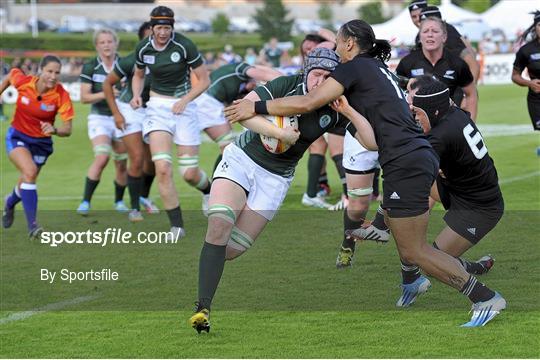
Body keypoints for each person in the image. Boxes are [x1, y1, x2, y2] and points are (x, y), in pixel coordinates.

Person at [225, 19, 505, 328]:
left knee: (415, 250)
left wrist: (258, 107)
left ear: (348, 43)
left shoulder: (354, 67)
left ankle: (484, 297)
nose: (335, 53)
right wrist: (347, 112)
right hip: (410, 157)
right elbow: (373, 140)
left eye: (337, 45)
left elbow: (307, 102)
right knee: (411, 247)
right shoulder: (376, 68)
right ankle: (409, 270)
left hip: (406, 161)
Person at [189, 48, 351, 333]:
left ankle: (208, 261)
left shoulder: (334, 106)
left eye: (328, 77)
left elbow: (370, 139)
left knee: (231, 250)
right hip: (242, 160)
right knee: (219, 224)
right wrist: (280, 133)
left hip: (275, 179)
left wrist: (350, 111)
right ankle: (203, 308)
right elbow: (242, 113)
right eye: (317, 74)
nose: (321, 81)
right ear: (306, 71)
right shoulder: (285, 85)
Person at [352, 76, 503, 311]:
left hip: (478, 207)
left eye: (418, 112)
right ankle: (410, 274)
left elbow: (398, 161)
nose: (414, 116)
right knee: (406, 207)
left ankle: (474, 284)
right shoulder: (454, 116)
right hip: (457, 191)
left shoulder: (439, 137)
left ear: (433, 113)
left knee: (429, 258)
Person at [131, 6, 210, 237]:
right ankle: (177, 226)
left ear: (172, 27)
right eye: (159, 28)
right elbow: (137, 74)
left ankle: (208, 189)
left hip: (184, 109)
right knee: (163, 169)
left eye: (167, 27)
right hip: (157, 109)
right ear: (151, 28)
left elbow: (204, 80)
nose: (163, 32)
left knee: (189, 174)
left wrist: (185, 99)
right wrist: (137, 95)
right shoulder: (143, 48)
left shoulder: (185, 45)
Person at [1, 55, 74, 239]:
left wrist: (55, 129)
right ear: (41, 69)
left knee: (27, 179)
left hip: (42, 143)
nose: (53, 76)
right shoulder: (24, 82)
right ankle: (33, 226)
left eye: (57, 72)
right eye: (49, 71)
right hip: (18, 136)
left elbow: (68, 128)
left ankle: (9, 203)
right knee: (30, 172)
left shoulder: (61, 95)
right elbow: (11, 75)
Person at [193, 61, 283, 194]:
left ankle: (217, 189)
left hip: (209, 104)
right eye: (255, 83)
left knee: (229, 148)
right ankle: (220, 189)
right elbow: (262, 73)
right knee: (230, 149)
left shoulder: (238, 86)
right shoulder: (240, 68)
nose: (253, 86)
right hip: (208, 103)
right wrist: (287, 79)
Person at [103, 22, 159, 222]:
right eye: (149, 36)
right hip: (130, 109)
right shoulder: (132, 59)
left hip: (154, 111)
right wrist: (117, 113)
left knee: (153, 161)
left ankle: (143, 197)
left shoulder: (168, 60)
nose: (154, 39)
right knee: (136, 158)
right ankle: (134, 208)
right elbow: (107, 83)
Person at [76, 28, 129, 216]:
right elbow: (84, 97)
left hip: (122, 117)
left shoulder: (125, 64)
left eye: (109, 41)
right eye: (102, 42)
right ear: (97, 46)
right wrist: (106, 93)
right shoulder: (91, 66)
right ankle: (85, 202)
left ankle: (119, 201)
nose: (106, 45)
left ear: (116, 43)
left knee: (122, 163)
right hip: (99, 117)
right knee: (102, 157)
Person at [397, 16, 478, 119]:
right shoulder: (407, 63)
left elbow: (471, 94)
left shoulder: (457, 63)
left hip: (448, 125)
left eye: (435, 31)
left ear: (444, 37)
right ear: (420, 37)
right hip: (417, 128)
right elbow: (395, 94)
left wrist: (470, 123)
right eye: (425, 31)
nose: (430, 35)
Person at [409, 3, 480, 83]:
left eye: (420, 15)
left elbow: (473, 64)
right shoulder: (419, 37)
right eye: (414, 17)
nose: (418, 19)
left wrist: (470, 93)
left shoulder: (446, 32)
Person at [512, 10, 540, 154]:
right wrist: (530, 83)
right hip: (537, 100)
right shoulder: (526, 50)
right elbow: (515, 76)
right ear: (535, 27)